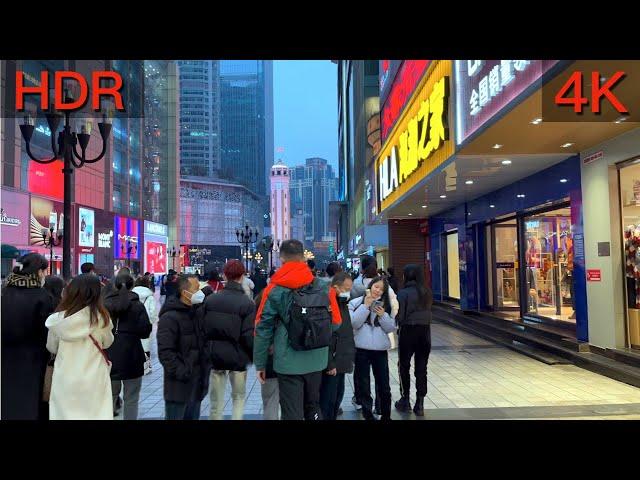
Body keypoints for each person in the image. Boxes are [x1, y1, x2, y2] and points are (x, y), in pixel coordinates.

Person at [253, 239, 342, 420]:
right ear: (303, 257)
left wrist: (261, 363)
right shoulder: (324, 287)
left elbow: (262, 329)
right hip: (317, 359)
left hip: (287, 362)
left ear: (281, 259)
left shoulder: (274, 290)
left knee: (292, 413)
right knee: (313, 408)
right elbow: (336, 323)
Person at [45, 274, 114, 420]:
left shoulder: (58, 320)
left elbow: (52, 347)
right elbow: (107, 342)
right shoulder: (101, 318)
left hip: (65, 377)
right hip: (94, 377)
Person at [1, 253, 53, 420]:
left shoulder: (4, 292)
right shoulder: (42, 296)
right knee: (30, 402)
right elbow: (46, 332)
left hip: (6, 357)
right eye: (44, 271)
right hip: (33, 358)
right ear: (38, 272)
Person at [202, 260, 256, 420]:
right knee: (238, 398)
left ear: (225, 275)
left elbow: (203, 329)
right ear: (242, 276)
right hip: (238, 358)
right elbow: (247, 335)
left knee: (215, 402)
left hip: (216, 357)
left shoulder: (211, 300)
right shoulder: (247, 303)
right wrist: (252, 356)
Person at [158, 274, 210, 420]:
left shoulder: (197, 312)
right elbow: (166, 353)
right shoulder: (169, 318)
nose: (200, 292)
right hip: (178, 387)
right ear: (184, 293)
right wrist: (183, 372)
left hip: (197, 385)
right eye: (196, 288)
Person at [350, 255, 399, 412]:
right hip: (361, 346)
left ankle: (381, 409)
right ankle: (368, 409)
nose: (378, 290)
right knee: (364, 382)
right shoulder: (358, 299)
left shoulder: (357, 283)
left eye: (381, 289)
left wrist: (383, 315)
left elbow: (391, 324)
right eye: (376, 287)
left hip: (379, 347)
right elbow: (354, 322)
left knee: (382, 383)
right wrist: (365, 306)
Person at [104, 271, 152, 420]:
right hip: (133, 355)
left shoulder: (105, 304)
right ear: (133, 286)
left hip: (109, 355)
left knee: (109, 397)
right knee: (132, 398)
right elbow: (145, 332)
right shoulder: (137, 306)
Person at [394, 264, 433, 417]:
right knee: (421, 368)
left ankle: (405, 400)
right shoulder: (427, 292)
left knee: (403, 365)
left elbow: (400, 316)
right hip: (425, 332)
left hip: (408, 332)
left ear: (406, 276)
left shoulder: (403, 293)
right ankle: (420, 403)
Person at [319, 272, 355, 420]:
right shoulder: (327, 305)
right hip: (332, 361)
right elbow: (324, 336)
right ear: (335, 287)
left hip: (342, 359)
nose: (348, 292)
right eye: (346, 288)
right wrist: (329, 362)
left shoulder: (342, 303)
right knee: (328, 399)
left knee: (337, 397)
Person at [254, 289, 280, 420]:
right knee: (291, 405)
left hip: (269, 362)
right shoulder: (286, 303)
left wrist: (259, 364)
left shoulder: (260, 307)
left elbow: (258, 337)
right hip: (289, 362)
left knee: (270, 402)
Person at [133, 276, 159, 376]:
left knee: (135, 343)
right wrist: (151, 321)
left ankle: (135, 365)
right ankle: (146, 367)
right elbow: (152, 312)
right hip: (145, 323)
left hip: (133, 322)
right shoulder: (149, 296)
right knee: (145, 344)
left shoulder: (131, 295)